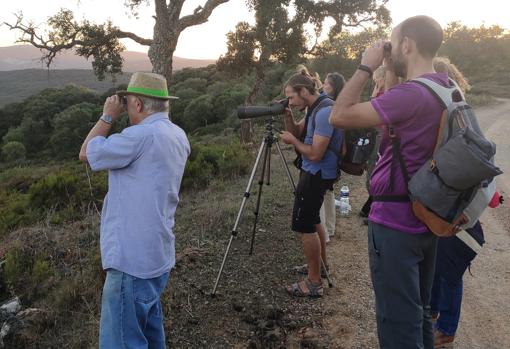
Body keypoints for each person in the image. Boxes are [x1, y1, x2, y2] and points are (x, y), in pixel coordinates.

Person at [330, 15, 445, 348]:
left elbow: (339, 116)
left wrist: (366, 67)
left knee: (398, 325)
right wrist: (393, 69)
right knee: (419, 313)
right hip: (427, 219)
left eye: (394, 43)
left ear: (406, 44)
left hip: (396, 226)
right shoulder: (445, 88)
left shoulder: (411, 95)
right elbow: (397, 126)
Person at [79, 72, 190, 348]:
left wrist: (107, 116)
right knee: (151, 334)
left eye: (128, 103)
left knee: (122, 340)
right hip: (158, 255)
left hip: (132, 260)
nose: (126, 108)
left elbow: (86, 153)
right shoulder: (178, 135)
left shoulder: (139, 136)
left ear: (138, 105)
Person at [281, 68, 344, 297]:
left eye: (291, 97)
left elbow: (315, 153)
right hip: (312, 172)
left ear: (304, 91)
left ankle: (314, 282)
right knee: (314, 219)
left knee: (305, 224)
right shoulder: (313, 108)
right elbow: (298, 132)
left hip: (317, 174)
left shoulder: (324, 111)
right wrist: (288, 116)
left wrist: (292, 142)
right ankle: (320, 267)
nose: (290, 101)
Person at [429, 56, 474, 348]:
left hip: (457, 206)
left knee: (450, 270)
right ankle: (434, 314)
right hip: (443, 202)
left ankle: (446, 329)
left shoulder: (460, 117)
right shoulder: (450, 113)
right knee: (437, 264)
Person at [320, 72, 345, 241]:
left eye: (326, 84)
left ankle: (323, 234)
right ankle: (330, 228)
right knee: (328, 191)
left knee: (319, 195)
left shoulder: (327, 106)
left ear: (333, 87)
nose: (323, 86)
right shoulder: (342, 105)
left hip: (325, 155)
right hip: (335, 156)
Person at [359, 66, 386, 220]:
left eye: (376, 80)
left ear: (382, 78)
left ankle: (375, 209)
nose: (375, 83)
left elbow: (374, 114)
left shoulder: (383, 93)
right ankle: (371, 207)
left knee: (374, 171)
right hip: (380, 135)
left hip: (381, 136)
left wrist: (374, 96)